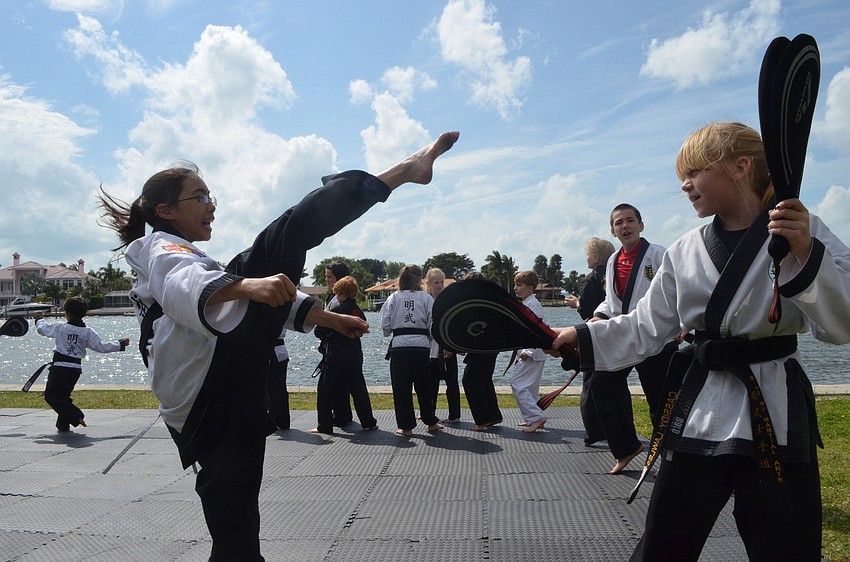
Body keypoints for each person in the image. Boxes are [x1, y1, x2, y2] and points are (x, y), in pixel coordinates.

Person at [97, 130, 459, 561]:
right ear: (165, 210)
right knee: (288, 232)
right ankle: (402, 171)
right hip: (210, 386)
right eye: (199, 196)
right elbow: (182, 282)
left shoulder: (188, 255)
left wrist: (329, 318)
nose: (211, 204)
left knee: (235, 516)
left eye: (211, 194)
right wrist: (247, 283)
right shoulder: (161, 248)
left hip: (221, 391)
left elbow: (263, 301)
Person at [550, 122, 850, 561]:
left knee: (786, 545)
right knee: (665, 541)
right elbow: (645, 327)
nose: (685, 186)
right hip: (701, 409)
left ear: (742, 166)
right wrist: (578, 335)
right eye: (681, 179)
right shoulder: (685, 250)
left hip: (776, 406)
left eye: (694, 172)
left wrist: (804, 252)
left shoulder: (805, 231)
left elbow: (840, 326)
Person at [587, 203, 678, 474]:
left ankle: (668, 457)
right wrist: (600, 316)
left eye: (630, 221)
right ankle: (627, 447)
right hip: (626, 333)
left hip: (658, 336)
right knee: (601, 386)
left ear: (641, 225)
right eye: (619, 223)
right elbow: (612, 301)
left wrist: (684, 323)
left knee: (660, 400)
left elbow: (679, 291)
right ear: (613, 231)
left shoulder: (659, 254)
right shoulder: (614, 260)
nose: (625, 226)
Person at [33, 298, 129, 432]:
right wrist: (120, 343)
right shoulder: (87, 332)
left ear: (68, 314)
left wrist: (39, 318)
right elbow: (101, 347)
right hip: (75, 370)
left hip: (60, 368)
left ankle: (76, 416)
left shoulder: (61, 327)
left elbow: (43, 329)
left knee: (51, 396)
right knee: (63, 396)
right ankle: (63, 426)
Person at [310, 275, 377, 434]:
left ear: (342, 293)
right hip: (355, 355)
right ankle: (368, 422)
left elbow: (319, 331)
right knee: (358, 389)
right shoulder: (358, 311)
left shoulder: (337, 310)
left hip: (336, 356)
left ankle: (324, 426)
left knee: (326, 391)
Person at [381, 264, 442, 435]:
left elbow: (385, 325)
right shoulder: (426, 298)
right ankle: (430, 422)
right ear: (419, 280)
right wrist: (427, 336)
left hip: (400, 346)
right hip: (421, 346)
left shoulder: (393, 298)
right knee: (424, 386)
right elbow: (433, 324)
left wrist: (392, 330)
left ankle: (406, 427)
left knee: (401, 387)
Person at [565, 237, 615, 446]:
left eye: (587, 254)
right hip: (615, 334)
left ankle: (594, 431)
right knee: (613, 385)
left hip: (594, 334)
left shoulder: (591, 279)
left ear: (595, 258)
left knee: (590, 384)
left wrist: (577, 303)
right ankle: (612, 428)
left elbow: (586, 309)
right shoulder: (616, 274)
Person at [460, 271, 503, 431]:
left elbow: (470, 327)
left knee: (469, 381)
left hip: (481, 348)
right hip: (491, 347)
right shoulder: (488, 300)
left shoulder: (475, 302)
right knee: (484, 380)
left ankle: (482, 419)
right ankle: (493, 415)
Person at [509, 270, 549, 433]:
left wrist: (528, 350)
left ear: (530, 289)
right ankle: (533, 417)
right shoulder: (528, 304)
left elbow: (536, 329)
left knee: (517, 384)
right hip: (534, 353)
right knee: (531, 388)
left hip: (531, 352)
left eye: (519, 285)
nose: (516, 288)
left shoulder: (532, 305)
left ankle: (536, 417)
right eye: (516, 285)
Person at [316, 260, 355, 427]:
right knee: (341, 385)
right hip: (345, 349)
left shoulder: (338, 300)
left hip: (336, 349)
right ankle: (343, 415)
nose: (327, 280)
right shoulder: (337, 298)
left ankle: (329, 421)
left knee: (327, 387)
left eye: (329, 277)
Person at [425, 267, 461, 423]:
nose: (439, 286)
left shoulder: (449, 301)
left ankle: (454, 415)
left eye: (441, 282)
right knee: (430, 385)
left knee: (452, 384)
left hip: (447, 349)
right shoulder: (425, 301)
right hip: (431, 350)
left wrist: (452, 346)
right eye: (436, 282)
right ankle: (429, 413)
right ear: (429, 284)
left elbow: (454, 326)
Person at [265, 331, 290, 431]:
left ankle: (276, 420)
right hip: (281, 349)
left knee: (272, 388)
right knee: (279, 387)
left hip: (272, 349)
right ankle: (282, 420)